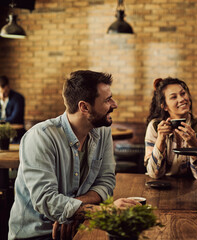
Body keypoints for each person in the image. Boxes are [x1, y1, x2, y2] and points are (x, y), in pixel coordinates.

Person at [8, 70, 139, 240]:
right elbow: (46, 200)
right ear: (84, 107)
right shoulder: (40, 137)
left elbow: (106, 181)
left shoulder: (103, 131)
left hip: (81, 226)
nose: (114, 104)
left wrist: (73, 212)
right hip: (37, 234)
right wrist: (107, 212)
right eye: (107, 100)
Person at [144, 77, 197, 180]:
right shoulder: (155, 126)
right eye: (173, 97)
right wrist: (161, 140)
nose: (182, 99)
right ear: (164, 106)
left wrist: (194, 146)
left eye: (183, 93)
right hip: (162, 187)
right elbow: (154, 174)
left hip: (195, 188)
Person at [0, 75, 25, 143]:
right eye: (0, 93)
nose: (2, 95)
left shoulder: (18, 98)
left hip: (16, 136)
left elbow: (15, 118)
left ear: (8, 87)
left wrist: (2, 121)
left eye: (4, 92)